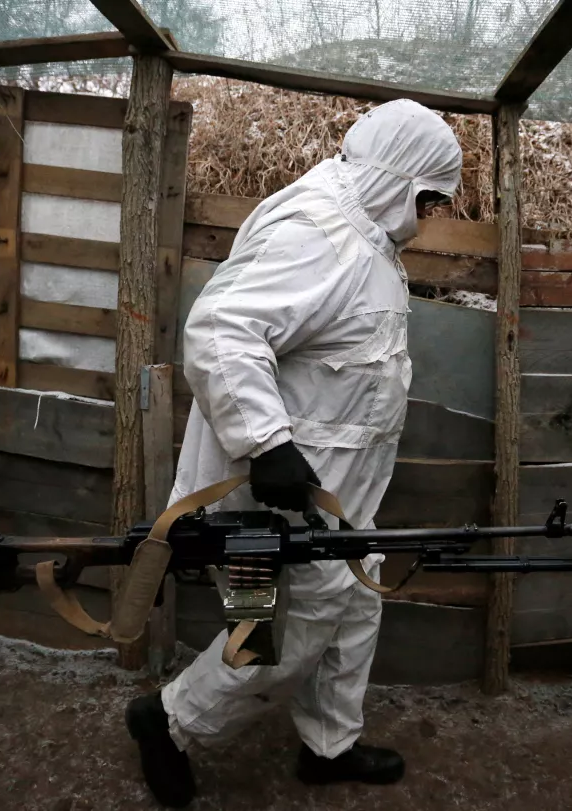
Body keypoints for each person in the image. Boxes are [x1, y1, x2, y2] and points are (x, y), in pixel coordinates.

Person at [124, 98, 463, 808]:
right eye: (427, 197)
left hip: (338, 506)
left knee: (356, 607)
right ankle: (168, 718)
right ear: (398, 177)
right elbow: (221, 329)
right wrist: (267, 443)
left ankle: (328, 745)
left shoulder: (367, 237)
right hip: (264, 510)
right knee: (271, 637)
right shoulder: (321, 234)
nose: (429, 214)